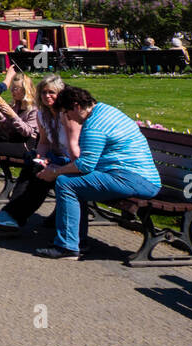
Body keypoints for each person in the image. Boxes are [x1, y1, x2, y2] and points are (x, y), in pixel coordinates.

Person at [32, 86, 161, 259]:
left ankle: (67, 247)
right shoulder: (105, 110)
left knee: (66, 183)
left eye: (67, 114)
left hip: (134, 179)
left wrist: (54, 172)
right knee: (72, 178)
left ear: (76, 106)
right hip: (133, 176)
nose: (67, 119)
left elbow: (85, 165)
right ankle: (77, 242)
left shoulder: (94, 126)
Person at [0, 75, 76, 235]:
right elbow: (44, 143)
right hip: (56, 158)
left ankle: (11, 216)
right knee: (34, 166)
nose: (47, 96)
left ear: (61, 93)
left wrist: (48, 163)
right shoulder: (43, 115)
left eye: (51, 92)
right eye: (44, 92)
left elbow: (75, 149)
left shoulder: (67, 115)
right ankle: (9, 216)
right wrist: (40, 157)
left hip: (71, 162)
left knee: (38, 174)